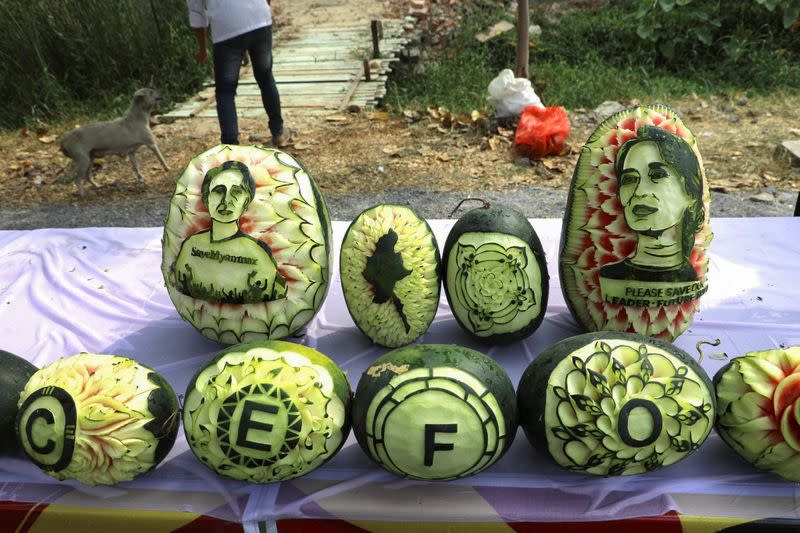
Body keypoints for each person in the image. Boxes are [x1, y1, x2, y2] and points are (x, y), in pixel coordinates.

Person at [599, 125, 704, 283]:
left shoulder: (692, 277)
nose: (639, 192)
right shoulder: (608, 277)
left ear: (691, 192)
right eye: (630, 179)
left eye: (657, 175)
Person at [171, 161, 287, 304]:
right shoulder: (189, 247)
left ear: (246, 203)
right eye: (219, 191)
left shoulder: (259, 254)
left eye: (237, 192)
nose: (226, 201)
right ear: (206, 199)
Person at [186, 0, 291, 147]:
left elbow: (197, 12)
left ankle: (231, 146)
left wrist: (203, 50)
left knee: (225, 92)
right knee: (265, 78)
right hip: (259, 18)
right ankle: (278, 132)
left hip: (227, 29)